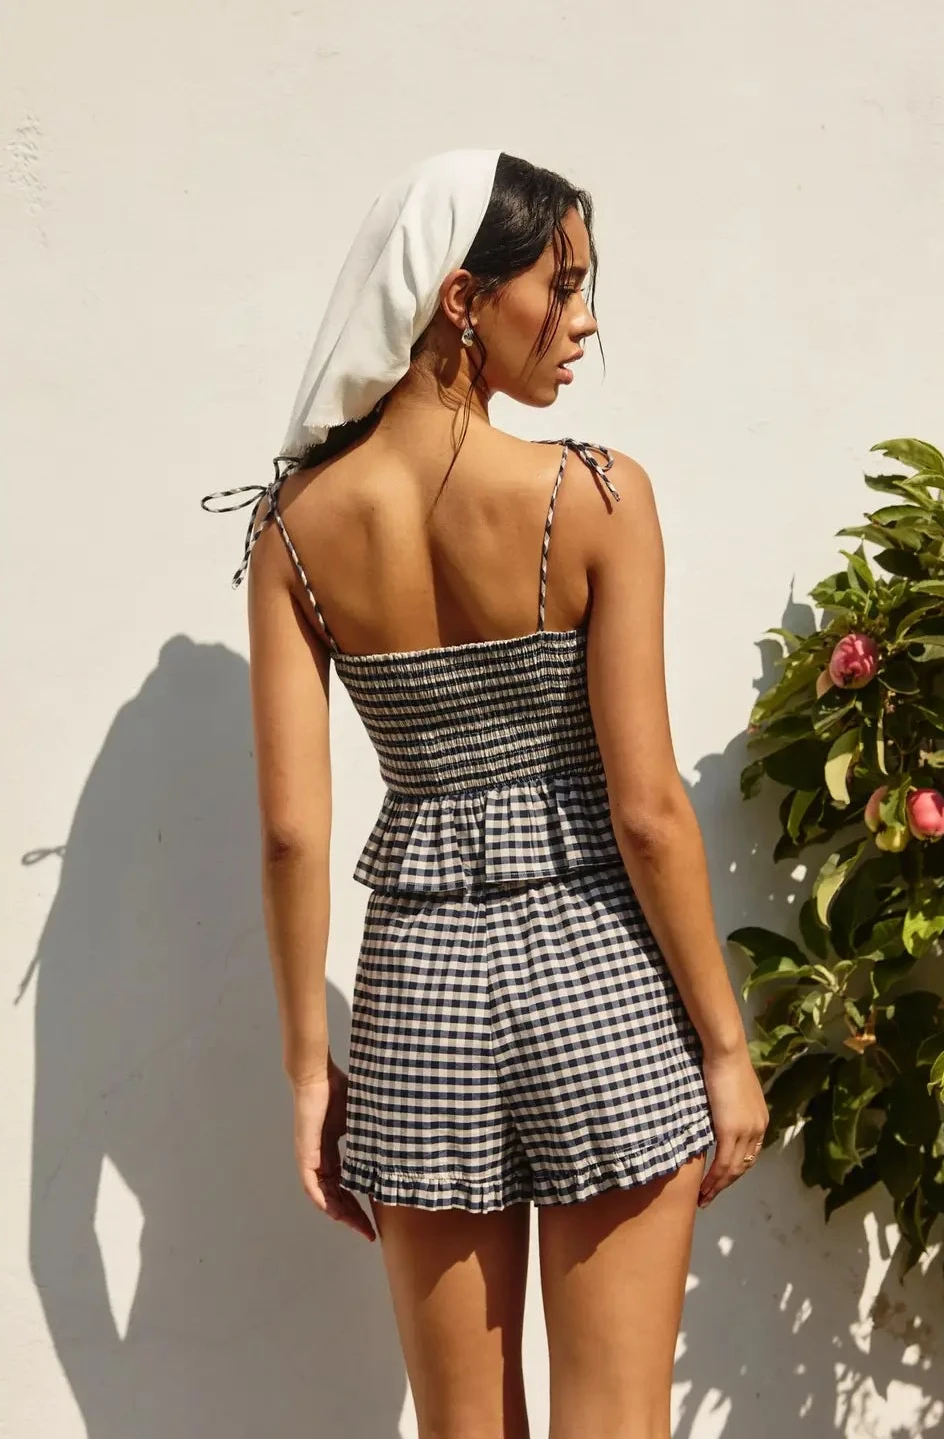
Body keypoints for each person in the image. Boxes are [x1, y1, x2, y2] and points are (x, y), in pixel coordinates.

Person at [202, 149, 768, 1440]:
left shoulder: (294, 529)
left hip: (419, 998)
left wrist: (309, 1065)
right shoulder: (598, 495)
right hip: (600, 980)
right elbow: (647, 813)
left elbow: (292, 829)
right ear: (463, 298)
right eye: (560, 288)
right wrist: (728, 1050)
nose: (584, 322)